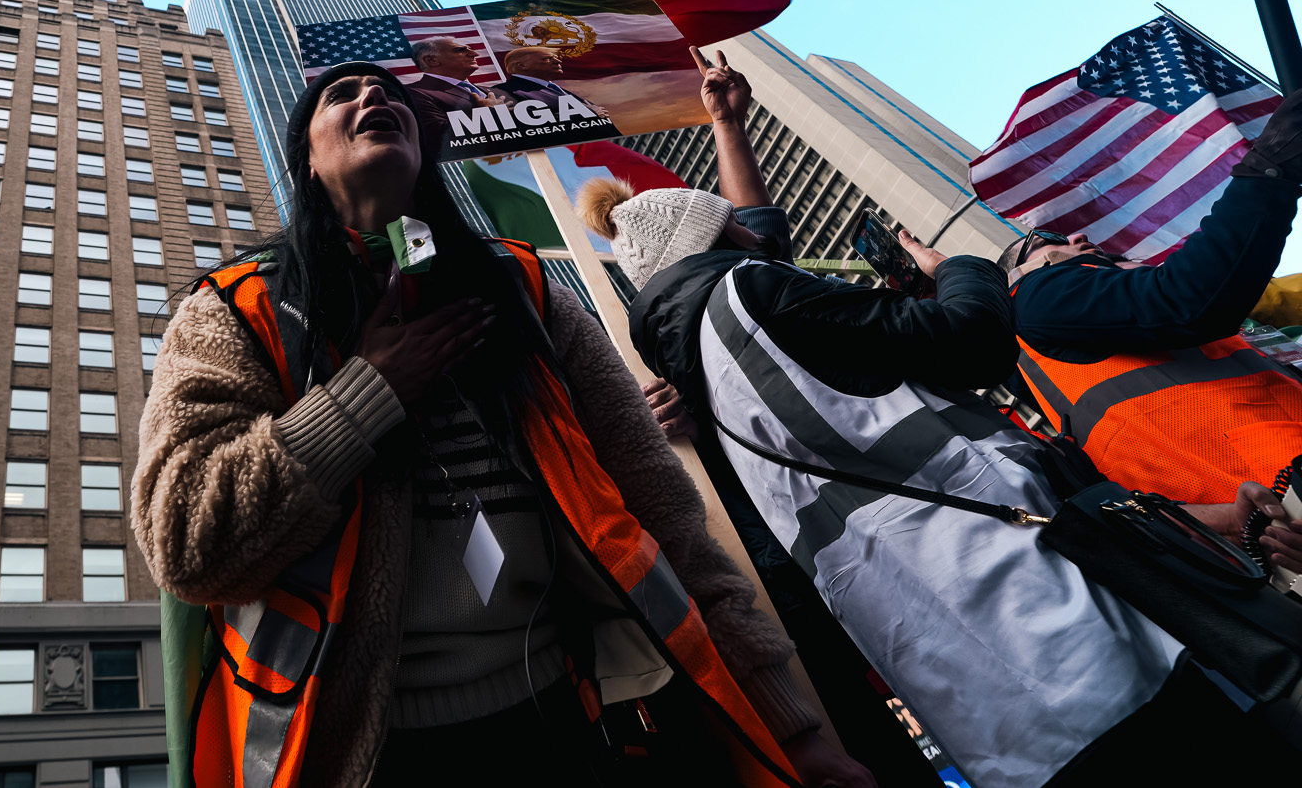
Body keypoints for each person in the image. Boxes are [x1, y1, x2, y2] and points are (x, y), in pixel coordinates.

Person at [134, 60, 874, 788]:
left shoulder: (524, 288)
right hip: (359, 755)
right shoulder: (234, 309)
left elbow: (663, 510)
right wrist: (366, 396)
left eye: (389, 93)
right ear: (306, 155)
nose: (372, 96)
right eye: (342, 95)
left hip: (568, 723)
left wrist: (788, 725)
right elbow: (186, 544)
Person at [594, 50, 1290, 788]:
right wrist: (960, 268)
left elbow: (759, 240)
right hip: (1046, 603)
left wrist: (727, 126)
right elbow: (972, 341)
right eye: (733, 225)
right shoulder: (757, 295)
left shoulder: (706, 361)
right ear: (718, 242)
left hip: (982, 684)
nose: (754, 231)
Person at [999, 86, 1302, 571]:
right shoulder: (1036, 296)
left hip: (1274, 526)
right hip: (1283, 488)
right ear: (1019, 275)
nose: (1078, 235)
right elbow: (1187, 297)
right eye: (1047, 240)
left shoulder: (1057, 361)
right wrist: (1271, 167)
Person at [402, 36, 511, 154]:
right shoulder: (410, 93)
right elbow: (438, 138)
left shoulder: (498, 92)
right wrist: (489, 112)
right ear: (431, 60)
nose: (475, 54)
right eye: (460, 50)